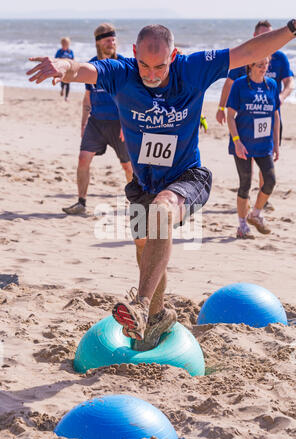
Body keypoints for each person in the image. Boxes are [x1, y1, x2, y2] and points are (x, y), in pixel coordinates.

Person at [27, 20, 296, 350]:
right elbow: (82, 69)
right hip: (143, 184)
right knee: (145, 248)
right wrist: (62, 65)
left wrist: (292, 28)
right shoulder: (121, 73)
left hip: (187, 178)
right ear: (134, 53)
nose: (152, 74)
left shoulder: (193, 69)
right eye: (144, 65)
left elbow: (249, 51)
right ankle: (155, 317)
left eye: (160, 66)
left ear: (175, 55)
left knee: (160, 213)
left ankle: (139, 304)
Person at [216, 20, 294, 209]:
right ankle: (247, 194)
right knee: (247, 165)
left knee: (266, 158)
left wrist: (281, 97)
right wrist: (220, 108)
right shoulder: (247, 55)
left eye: (270, 33)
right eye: (262, 35)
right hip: (247, 119)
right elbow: (229, 83)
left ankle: (262, 198)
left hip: (271, 117)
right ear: (254, 37)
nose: (267, 38)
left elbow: (289, 82)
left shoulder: (280, 58)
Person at [62, 24, 132, 215]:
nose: (112, 43)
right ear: (98, 42)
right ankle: (81, 203)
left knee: (128, 166)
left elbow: (132, 98)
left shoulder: (124, 64)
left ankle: (137, 203)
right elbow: (87, 98)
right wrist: (84, 123)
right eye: (108, 40)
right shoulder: (91, 66)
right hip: (96, 122)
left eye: (114, 39)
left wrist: (127, 124)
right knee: (83, 159)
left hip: (119, 123)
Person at [226, 57, 280, 239]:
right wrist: (236, 141)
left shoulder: (271, 85)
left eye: (266, 64)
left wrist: (276, 143)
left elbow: (276, 116)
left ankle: (255, 214)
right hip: (243, 144)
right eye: (260, 65)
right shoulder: (240, 85)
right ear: (250, 65)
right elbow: (230, 115)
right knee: (245, 184)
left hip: (264, 144)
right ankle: (242, 226)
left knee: (270, 180)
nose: (264, 68)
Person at [55, 37, 74, 101]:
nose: (65, 45)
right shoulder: (59, 51)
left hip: (69, 69)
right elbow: (56, 59)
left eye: (66, 44)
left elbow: (73, 60)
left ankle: (66, 97)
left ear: (68, 44)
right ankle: (62, 89)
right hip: (62, 69)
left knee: (68, 83)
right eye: (64, 43)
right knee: (62, 82)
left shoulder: (70, 51)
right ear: (61, 44)